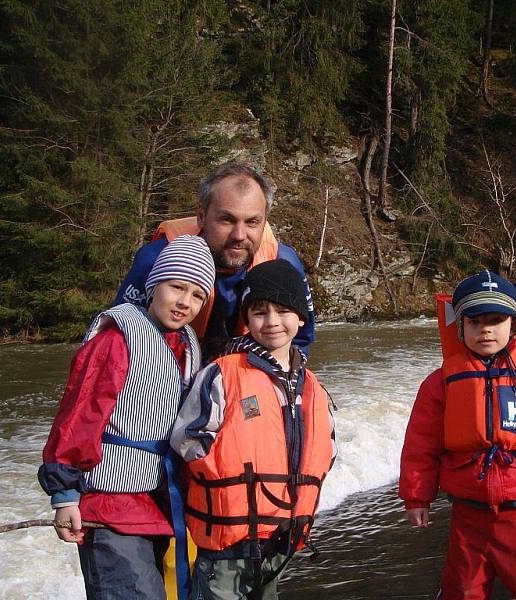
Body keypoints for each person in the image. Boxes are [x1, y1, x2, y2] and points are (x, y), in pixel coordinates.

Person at [38, 235, 216, 600]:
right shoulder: (117, 339)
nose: (185, 302)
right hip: (110, 503)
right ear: (153, 286)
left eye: (198, 295)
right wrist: (65, 494)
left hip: (156, 501)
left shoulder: (187, 346)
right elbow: (80, 414)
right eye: (176, 286)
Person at [399, 270, 516, 600]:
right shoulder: (440, 381)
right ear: (460, 328)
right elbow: (420, 443)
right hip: (467, 516)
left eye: (495, 319)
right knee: (462, 591)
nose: (484, 329)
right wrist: (417, 497)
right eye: (473, 321)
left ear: (514, 325)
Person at [170, 259, 336, 600]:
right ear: (247, 319)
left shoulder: (313, 387)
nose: (272, 321)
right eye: (260, 311)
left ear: (301, 317)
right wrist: (223, 478)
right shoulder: (223, 373)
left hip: (281, 537)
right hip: (227, 545)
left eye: (283, 310)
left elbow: (329, 447)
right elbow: (188, 438)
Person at [115, 162, 315, 362]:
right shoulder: (157, 259)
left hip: (244, 374)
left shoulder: (283, 264)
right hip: (169, 367)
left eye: (252, 222)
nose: (239, 235)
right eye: (226, 220)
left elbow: (300, 341)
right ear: (202, 217)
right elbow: (119, 337)